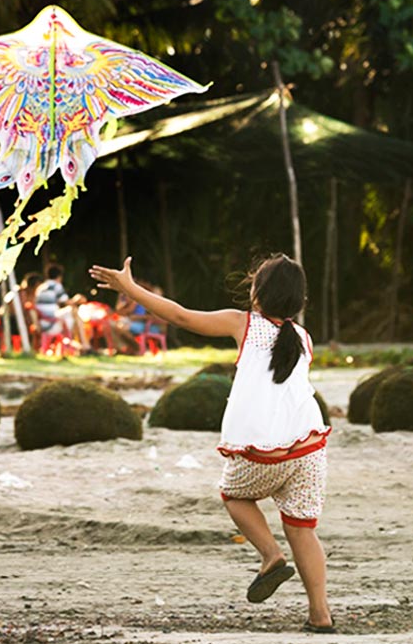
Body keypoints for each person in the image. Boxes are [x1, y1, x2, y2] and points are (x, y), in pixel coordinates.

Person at [90, 254, 334, 634]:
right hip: (308, 448)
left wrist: (130, 288)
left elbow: (181, 316)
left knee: (234, 495)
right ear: (298, 300)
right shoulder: (303, 338)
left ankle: (270, 555)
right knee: (303, 528)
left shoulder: (245, 324)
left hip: (262, 449)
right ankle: (321, 615)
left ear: (258, 294)